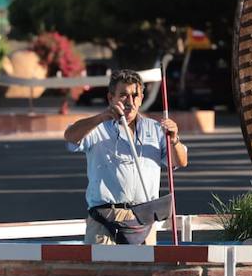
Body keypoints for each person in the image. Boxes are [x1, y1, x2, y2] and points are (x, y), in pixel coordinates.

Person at [63, 68, 188, 245]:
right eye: (123, 95)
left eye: (135, 95)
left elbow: (180, 161)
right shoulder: (97, 127)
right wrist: (100, 117)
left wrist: (174, 139)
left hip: (144, 218)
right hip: (105, 220)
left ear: (142, 98)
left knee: (146, 273)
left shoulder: (155, 129)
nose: (130, 101)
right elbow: (70, 136)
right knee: (105, 272)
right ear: (110, 98)